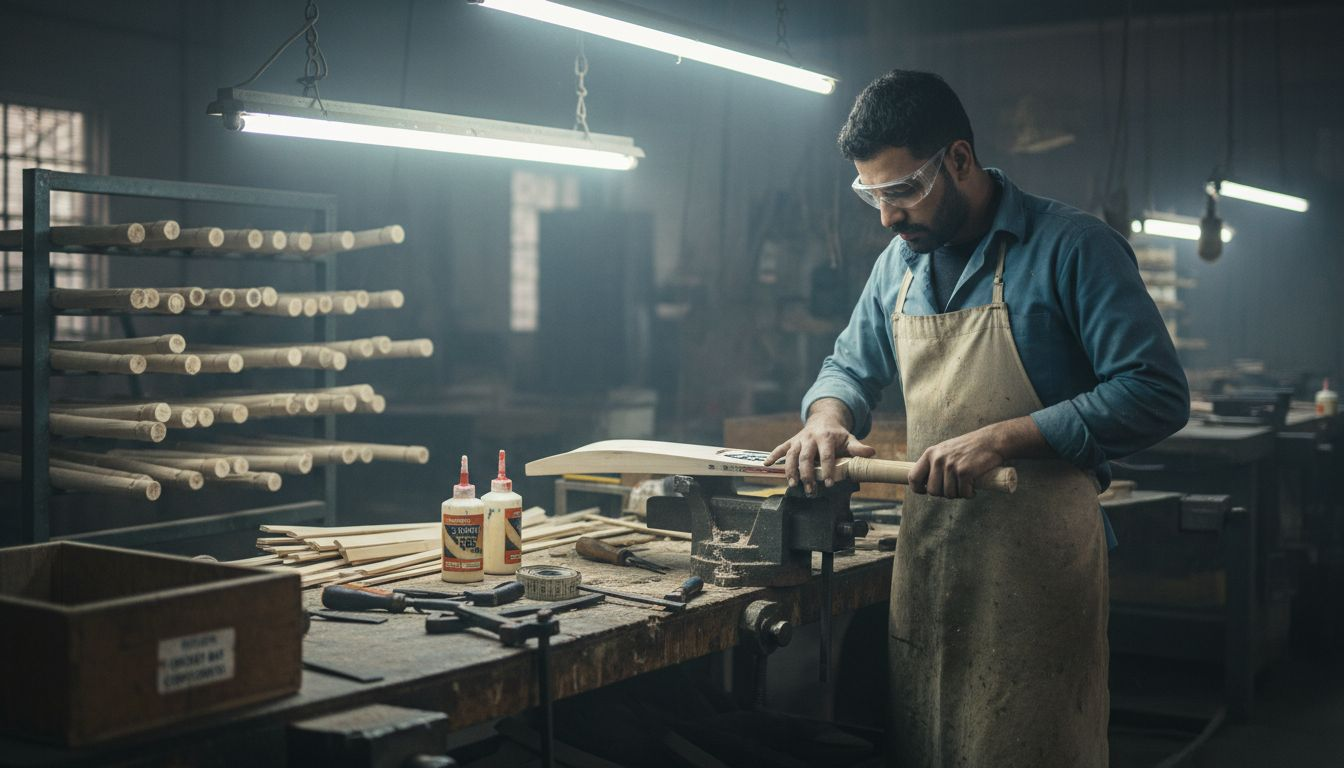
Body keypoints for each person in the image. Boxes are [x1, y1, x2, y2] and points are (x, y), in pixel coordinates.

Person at [766, 70, 1190, 766]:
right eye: (873, 195)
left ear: (958, 160)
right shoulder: (897, 267)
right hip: (932, 566)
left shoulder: (1072, 248)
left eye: (902, 191)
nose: (888, 216)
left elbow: (1155, 390)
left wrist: (1007, 436)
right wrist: (826, 417)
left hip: (1038, 572)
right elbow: (848, 364)